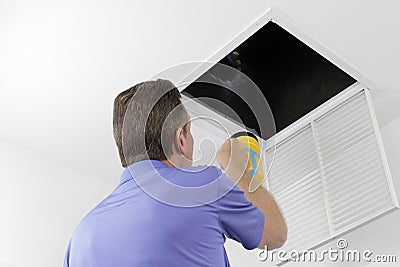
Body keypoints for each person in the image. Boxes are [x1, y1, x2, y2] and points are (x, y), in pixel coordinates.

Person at [63, 79, 287, 266]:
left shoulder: (80, 236)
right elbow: (275, 234)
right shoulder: (204, 185)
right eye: (190, 133)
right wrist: (236, 169)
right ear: (181, 139)